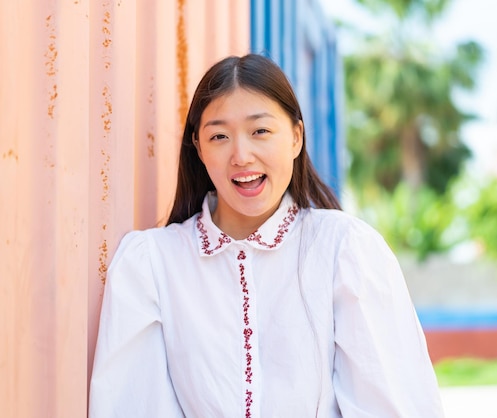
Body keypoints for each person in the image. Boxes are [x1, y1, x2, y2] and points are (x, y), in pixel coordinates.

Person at [89, 53, 445, 417]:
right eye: (219, 136)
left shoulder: (345, 249)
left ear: (295, 137)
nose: (241, 155)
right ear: (198, 147)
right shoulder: (149, 263)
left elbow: (392, 405)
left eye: (260, 131)